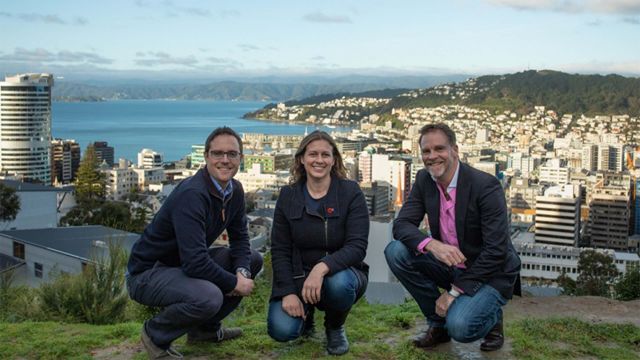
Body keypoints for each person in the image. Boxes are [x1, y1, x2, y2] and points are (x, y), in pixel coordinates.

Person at [126, 127, 263, 359]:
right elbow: (195, 263)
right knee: (209, 296)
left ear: (241, 158)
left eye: (232, 154)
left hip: (181, 265)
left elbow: (240, 237)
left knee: (252, 259)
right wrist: (235, 283)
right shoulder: (192, 194)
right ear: (207, 156)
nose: (225, 160)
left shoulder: (235, 190)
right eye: (218, 153)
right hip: (148, 273)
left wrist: (241, 271)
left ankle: (205, 331)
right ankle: (155, 334)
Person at [385, 123, 520, 352]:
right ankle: (438, 326)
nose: (432, 156)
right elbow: (401, 225)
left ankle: (493, 320)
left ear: (454, 150)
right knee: (396, 251)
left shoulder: (485, 186)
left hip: (488, 271)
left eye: (439, 149)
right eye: (426, 151)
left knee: (461, 327)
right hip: (450, 263)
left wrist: (452, 293)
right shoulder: (424, 180)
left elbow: (496, 251)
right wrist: (432, 244)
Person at [267, 131, 369, 355]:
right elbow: (280, 249)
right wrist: (287, 292)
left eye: (325, 154)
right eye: (313, 154)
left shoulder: (350, 192)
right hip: (297, 276)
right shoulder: (288, 195)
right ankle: (307, 315)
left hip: (342, 273)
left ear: (334, 160)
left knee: (339, 284)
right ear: (302, 159)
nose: (319, 160)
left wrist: (321, 268)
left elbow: (357, 246)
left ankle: (335, 326)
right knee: (282, 331)